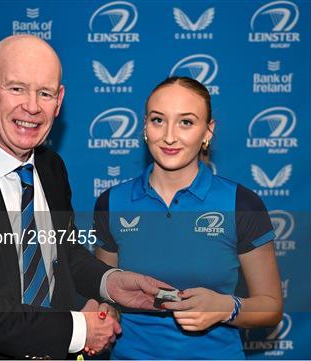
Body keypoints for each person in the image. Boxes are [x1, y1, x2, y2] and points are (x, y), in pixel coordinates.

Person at [0, 35, 166, 360]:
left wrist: (110, 282)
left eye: (45, 92)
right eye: (16, 88)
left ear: (59, 99)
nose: (32, 106)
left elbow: (62, 251)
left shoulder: (52, 168)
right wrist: (79, 330)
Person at [94, 76, 283, 359]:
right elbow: (104, 292)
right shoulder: (112, 202)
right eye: (158, 120)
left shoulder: (241, 204)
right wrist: (101, 313)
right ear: (145, 126)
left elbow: (271, 307)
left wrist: (225, 307)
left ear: (208, 131)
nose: (170, 136)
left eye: (186, 122)